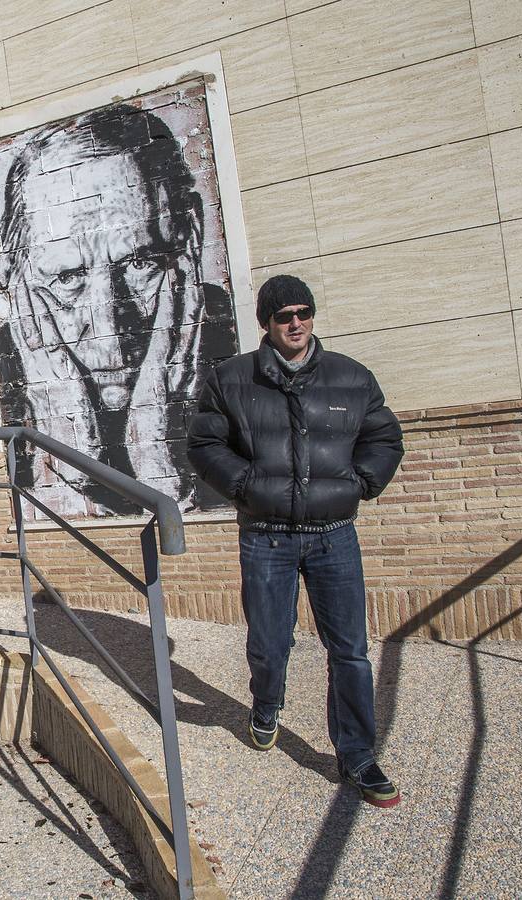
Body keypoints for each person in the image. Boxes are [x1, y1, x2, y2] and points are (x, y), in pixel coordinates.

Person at [186, 274, 404, 807]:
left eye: (304, 312)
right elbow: (205, 443)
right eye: (284, 316)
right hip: (266, 538)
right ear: (267, 322)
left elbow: (384, 437)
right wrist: (246, 486)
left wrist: (359, 483)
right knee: (269, 643)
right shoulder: (231, 378)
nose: (296, 323)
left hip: (334, 536)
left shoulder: (351, 377)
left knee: (350, 650)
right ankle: (266, 705)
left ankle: (358, 755)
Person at [0, 102, 237, 518]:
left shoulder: (240, 359)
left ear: (191, 237)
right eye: (68, 277)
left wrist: (158, 455)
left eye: (140, 263)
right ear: (13, 275)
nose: (110, 331)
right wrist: (61, 458)